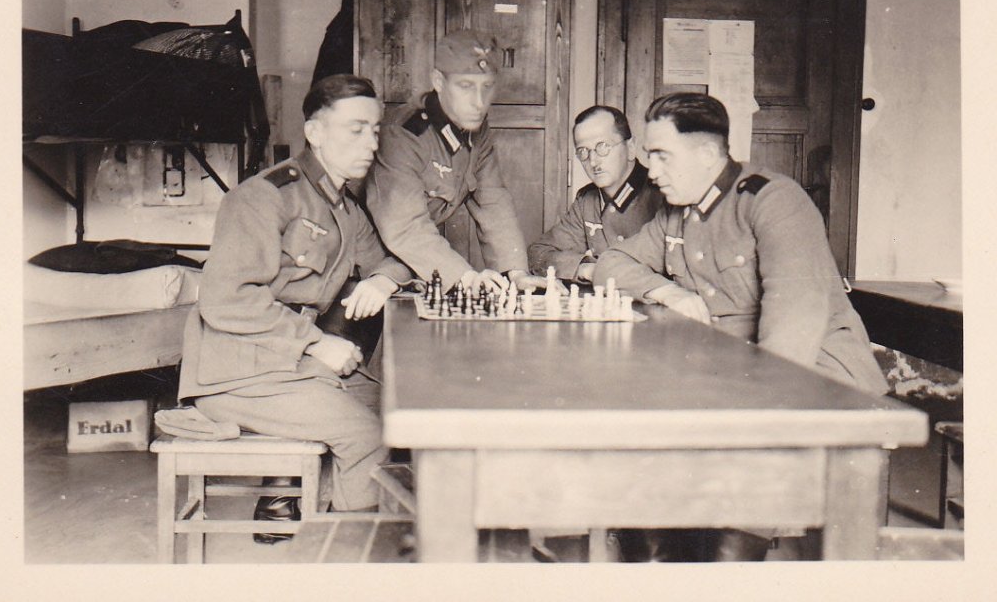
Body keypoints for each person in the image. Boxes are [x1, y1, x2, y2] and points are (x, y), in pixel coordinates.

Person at [594, 92, 887, 561]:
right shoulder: (677, 211)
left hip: (815, 377)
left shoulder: (772, 201)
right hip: (732, 373)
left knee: (724, 517)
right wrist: (668, 292)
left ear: (707, 154)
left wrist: (735, 411)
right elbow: (610, 263)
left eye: (663, 155)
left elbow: (793, 328)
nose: (652, 170)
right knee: (643, 475)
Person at [177, 75, 412, 540]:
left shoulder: (343, 207)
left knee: (392, 411)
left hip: (290, 364)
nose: (371, 143)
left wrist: (383, 279)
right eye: (356, 130)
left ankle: (303, 507)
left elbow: (391, 259)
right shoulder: (265, 196)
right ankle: (347, 550)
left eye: (375, 130)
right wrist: (316, 342)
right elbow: (226, 298)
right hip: (237, 371)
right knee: (366, 437)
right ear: (315, 133)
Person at [364, 29, 550, 295]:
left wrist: (516, 273)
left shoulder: (475, 129)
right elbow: (405, 226)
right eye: (465, 86)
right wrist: (465, 277)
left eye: (487, 87)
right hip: (371, 264)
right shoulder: (404, 134)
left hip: (418, 261)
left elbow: (493, 202)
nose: (479, 102)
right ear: (438, 82)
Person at [527, 105, 663, 281]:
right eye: (583, 151)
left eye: (602, 147)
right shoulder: (587, 201)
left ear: (630, 147)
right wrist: (585, 269)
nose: (592, 161)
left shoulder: (662, 195)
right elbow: (538, 253)